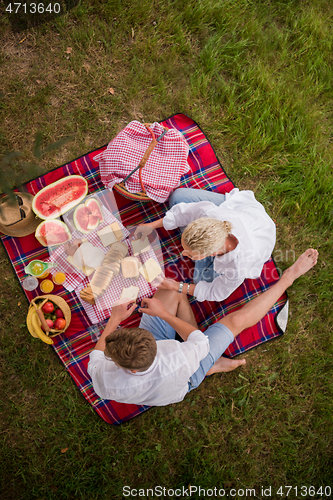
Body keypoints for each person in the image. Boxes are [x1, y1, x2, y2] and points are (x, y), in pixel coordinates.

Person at [87, 249, 318, 406]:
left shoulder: (101, 377)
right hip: (185, 374)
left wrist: (114, 319)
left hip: (172, 359)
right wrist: (164, 314)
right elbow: (199, 341)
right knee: (234, 322)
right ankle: (288, 278)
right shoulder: (177, 358)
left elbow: (98, 352)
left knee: (169, 291)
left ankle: (209, 360)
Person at [134, 187, 276, 302]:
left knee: (200, 280)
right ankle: (193, 239)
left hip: (258, 238)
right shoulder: (208, 214)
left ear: (212, 254)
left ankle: (193, 242)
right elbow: (185, 214)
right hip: (242, 214)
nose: (182, 254)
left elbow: (215, 292)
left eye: (189, 254)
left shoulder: (238, 266)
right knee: (177, 197)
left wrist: (176, 286)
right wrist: (151, 226)